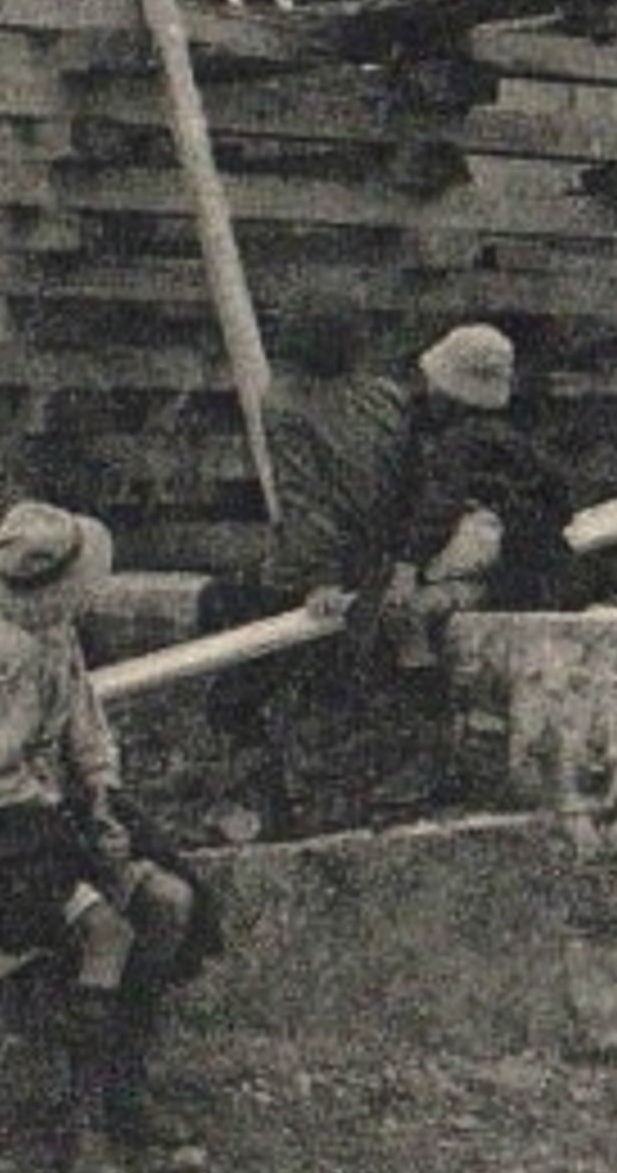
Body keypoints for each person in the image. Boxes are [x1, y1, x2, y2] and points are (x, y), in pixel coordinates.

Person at [204, 317, 573, 834]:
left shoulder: (453, 442)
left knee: (390, 620)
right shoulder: (507, 438)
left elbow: (429, 512)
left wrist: (399, 568)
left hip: (468, 556)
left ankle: (410, 751)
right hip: (520, 565)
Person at [0, 501, 217, 1173]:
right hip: (7, 841)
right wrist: (68, 816)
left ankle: (128, 1086)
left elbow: (88, 735)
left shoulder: (58, 639)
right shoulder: (4, 658)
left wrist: (101, 798)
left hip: (65, 821)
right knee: (104, 931)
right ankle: (84, 1123)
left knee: (170, 902)